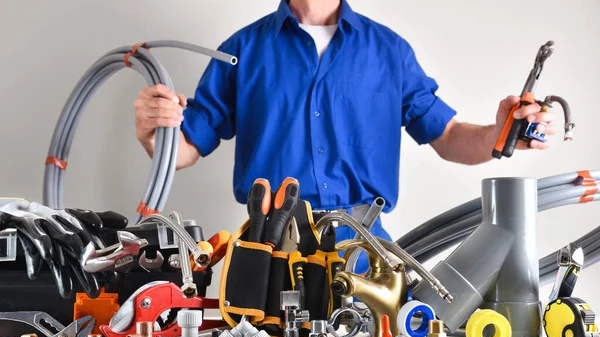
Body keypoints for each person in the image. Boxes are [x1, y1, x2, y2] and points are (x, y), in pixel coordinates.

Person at [133, 0, 555, 273]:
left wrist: (499, 134)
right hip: (269, 245)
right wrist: (152, 133)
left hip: (365, 251)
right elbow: (185, 147)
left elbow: (446, 136)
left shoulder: (389, 51)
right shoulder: (241, 50)